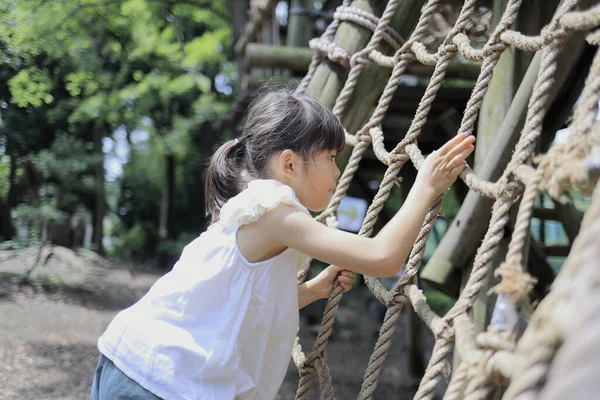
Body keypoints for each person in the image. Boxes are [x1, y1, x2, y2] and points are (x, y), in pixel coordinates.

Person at [90, 88, 475, 400]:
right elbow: (383, 257)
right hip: (160, 381)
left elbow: (240, 301)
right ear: (289, 165)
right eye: (329, 157)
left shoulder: (249, 207)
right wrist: (424, 187)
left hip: (135, 363)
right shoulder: (275, 210)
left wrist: (311, 290)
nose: (338, 171)